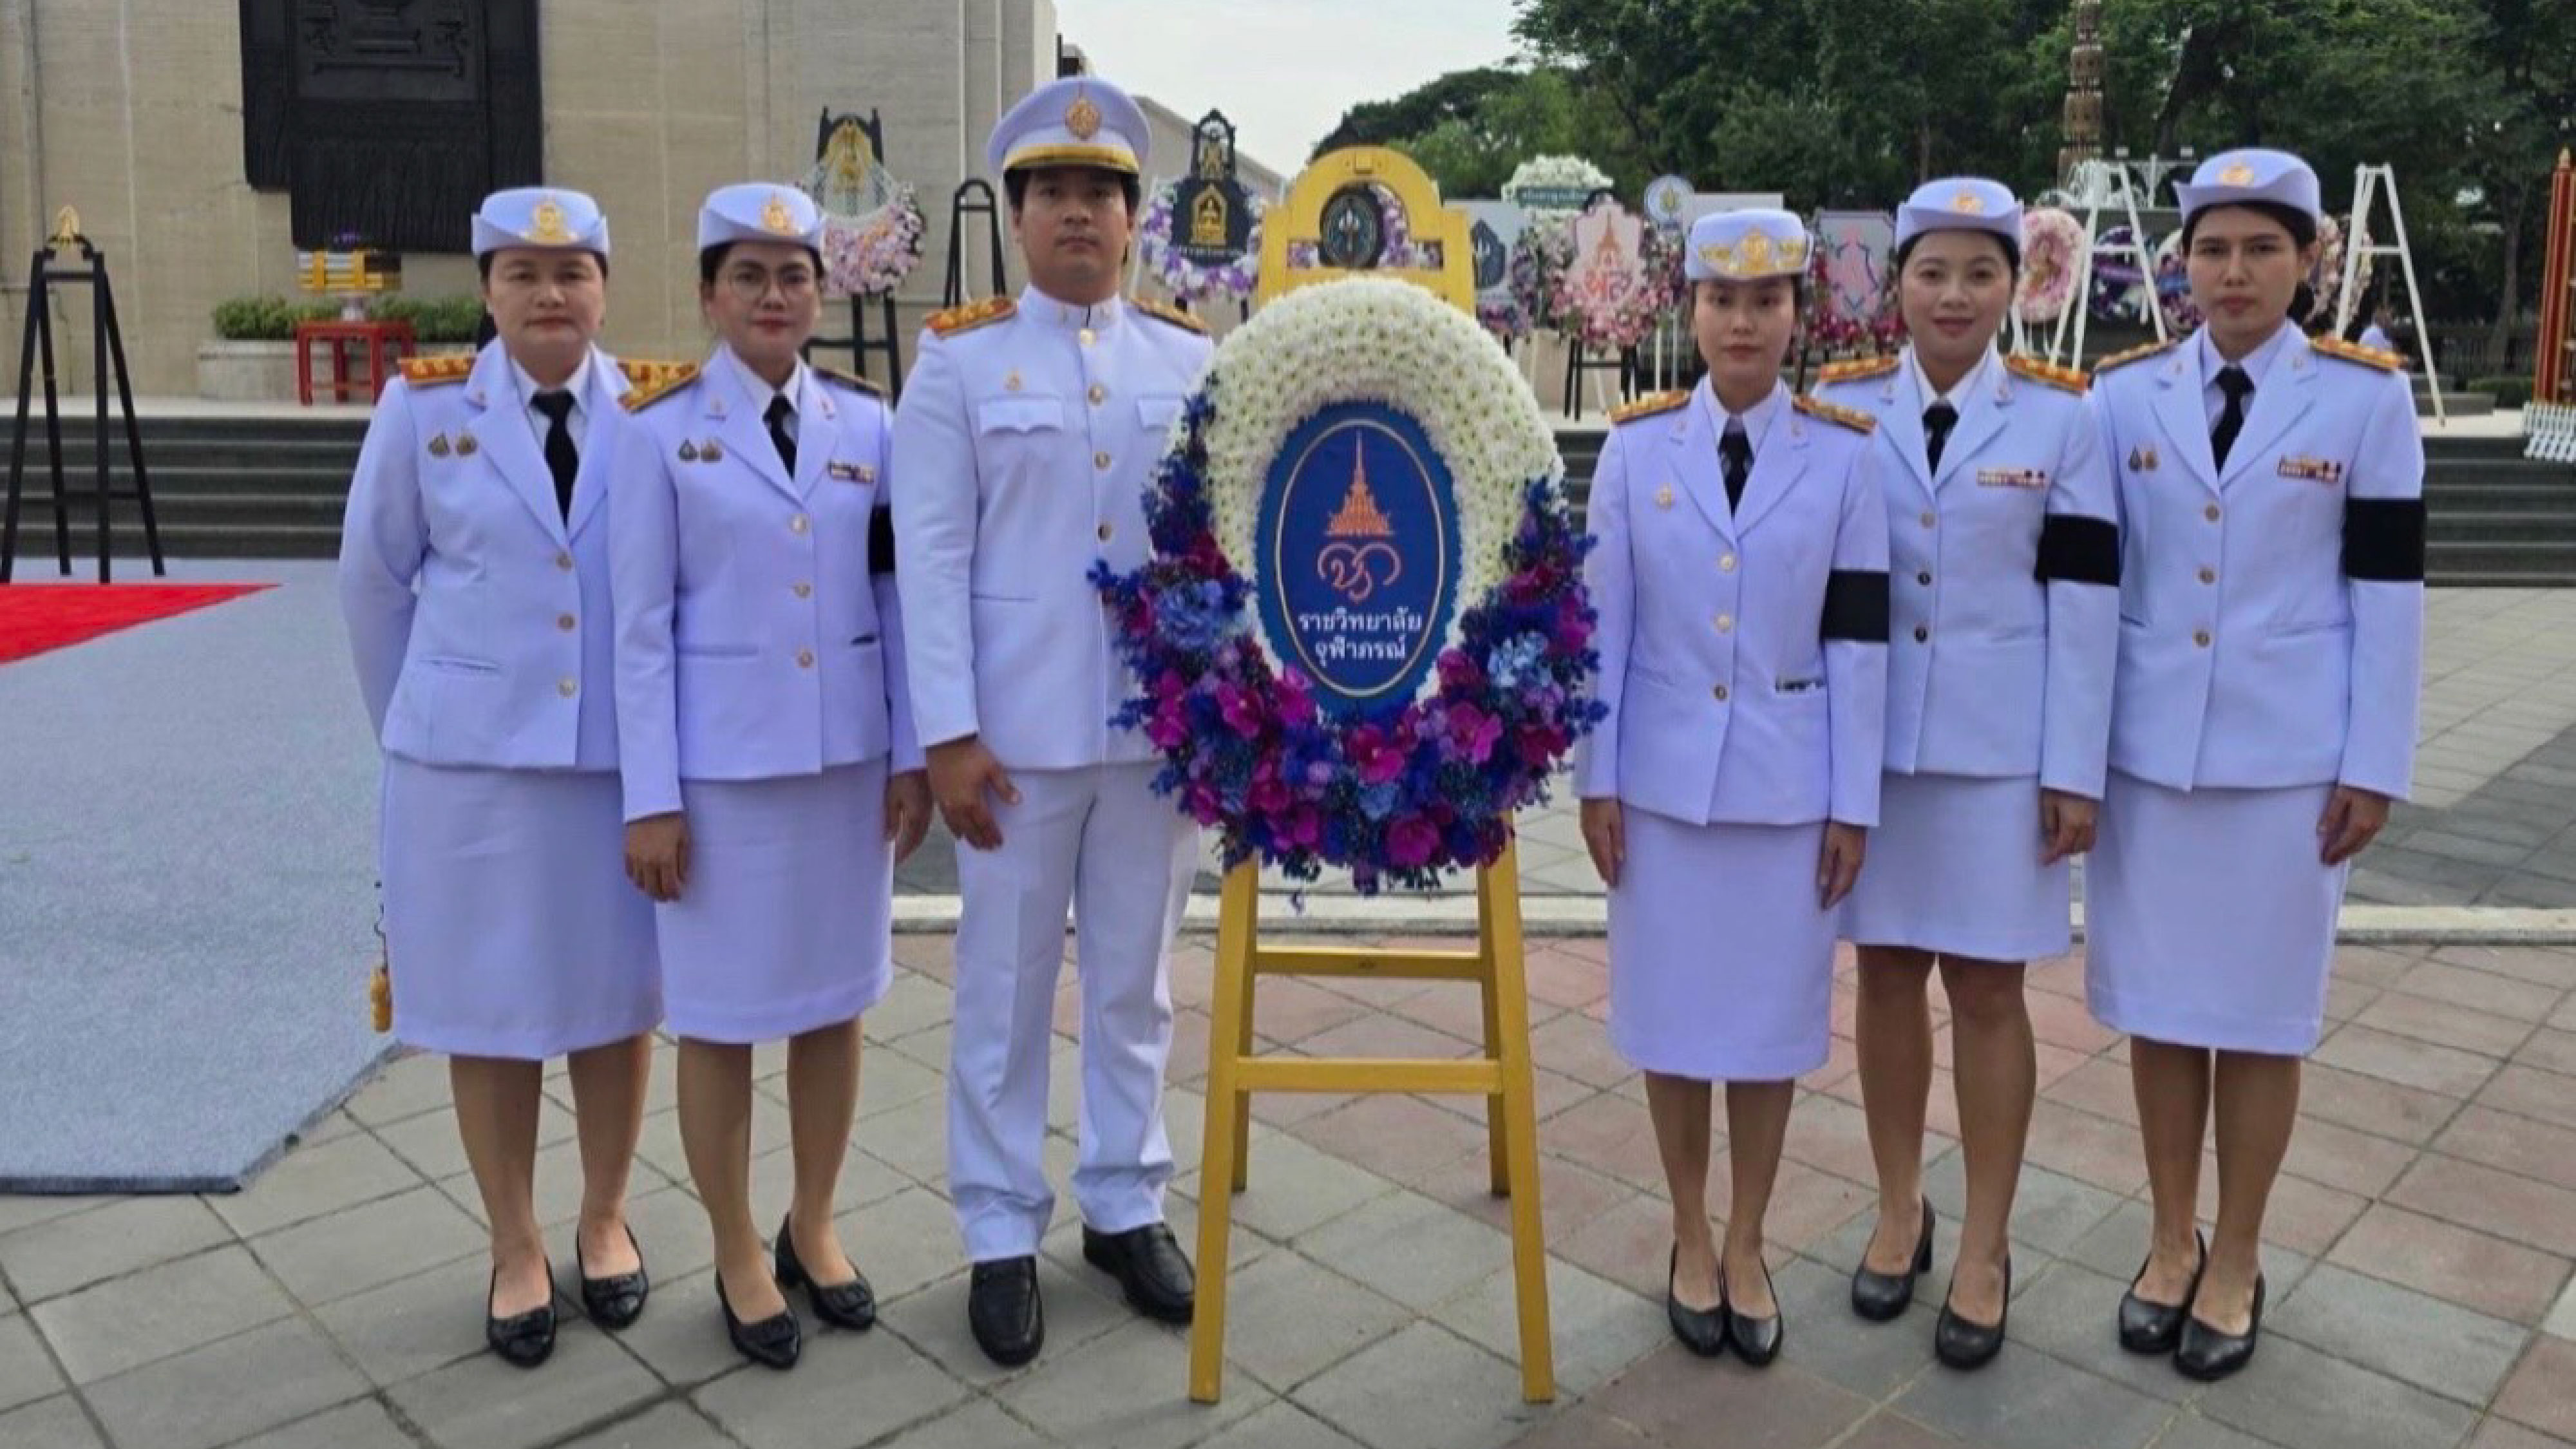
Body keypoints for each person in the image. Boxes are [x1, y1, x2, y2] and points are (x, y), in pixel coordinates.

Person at [890, 73, 1212, 1368]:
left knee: (1134, 986)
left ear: (1133, 219)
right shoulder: (958, 364)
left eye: (1100, 193)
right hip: (1013, 741)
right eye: (1053, 192)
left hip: (1153, 736)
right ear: (1018, 217)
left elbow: (1221, 548)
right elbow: (929, 559)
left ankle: (1126, 1202)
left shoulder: (1192, 363)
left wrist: (1221, 717)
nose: (1078, 212)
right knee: (1005, 987)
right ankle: (997, 1225)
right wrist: (947, 734)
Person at [2087, 147, 2423, 1381]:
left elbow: (2389, 591)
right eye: (2214, 250)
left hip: (2289, 770)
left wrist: (2374, 761)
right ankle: (2170, 1237)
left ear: (2309, 260)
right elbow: (2091, 590)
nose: (2235, 273)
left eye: (2262, 249)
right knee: (2163, 1013)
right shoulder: (2123, 397)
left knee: (2264, 1021)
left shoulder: (2364, 401)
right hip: (2150, 760)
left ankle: (2237, 1253)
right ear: (2181, 264)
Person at [602, 182, 931, 1370]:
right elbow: (639, 629)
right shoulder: (656, 433)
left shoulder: (869, 425)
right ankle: (738, 1244)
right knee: (723, 1022)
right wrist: (651, 796)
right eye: (749, 275)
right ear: (709, 294)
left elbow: (895, 595)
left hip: (843, 768)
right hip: (722, 781)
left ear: (821, 293)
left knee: (836, 1006)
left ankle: (815, 1221)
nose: (774, 296)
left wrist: (909, 752)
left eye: (795, 275)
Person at [338, 187, 665, 1368]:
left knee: (617, 1001)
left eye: (572, 271)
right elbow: (373, 583)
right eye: (522, 273)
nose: (548, 294)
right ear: (487, 290)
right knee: (491, 1010)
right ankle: (515, 1241)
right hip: (470, 773)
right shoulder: (425, 409)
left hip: (612, 766)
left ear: (604, 288)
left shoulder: (653, 411)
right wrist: (424, 726)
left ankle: (604, 1215)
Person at [1577, 208, 1889, 1367]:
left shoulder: (1845, 457)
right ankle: (1690, 1230)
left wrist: (1854, 800)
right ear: (1691, 311)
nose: (1743, 321)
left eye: (1766, 300)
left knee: (1765, 1032)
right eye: (1722, 299)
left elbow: (1861, 640)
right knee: (1670, 1024)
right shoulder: (1634, 451)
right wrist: (1596, 781)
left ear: (1799, 314)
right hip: (1660, 794)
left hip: (1786, 793)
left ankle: (1749, 1238)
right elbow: (1602, 632)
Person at [1815, 176, 2117, 1370]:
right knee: (1887, 977)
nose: (1954, 295)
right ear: (1896, 284)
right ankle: (1901, 1207)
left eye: (1979, 272)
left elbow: (2086, 603)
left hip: (2002, 758)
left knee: (1991, 993)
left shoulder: (2063, 419)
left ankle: (1987, 1241)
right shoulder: (1842, 409)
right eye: (1931, 271)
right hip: (1879, 754)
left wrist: (2075, 768)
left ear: (2015, 285)